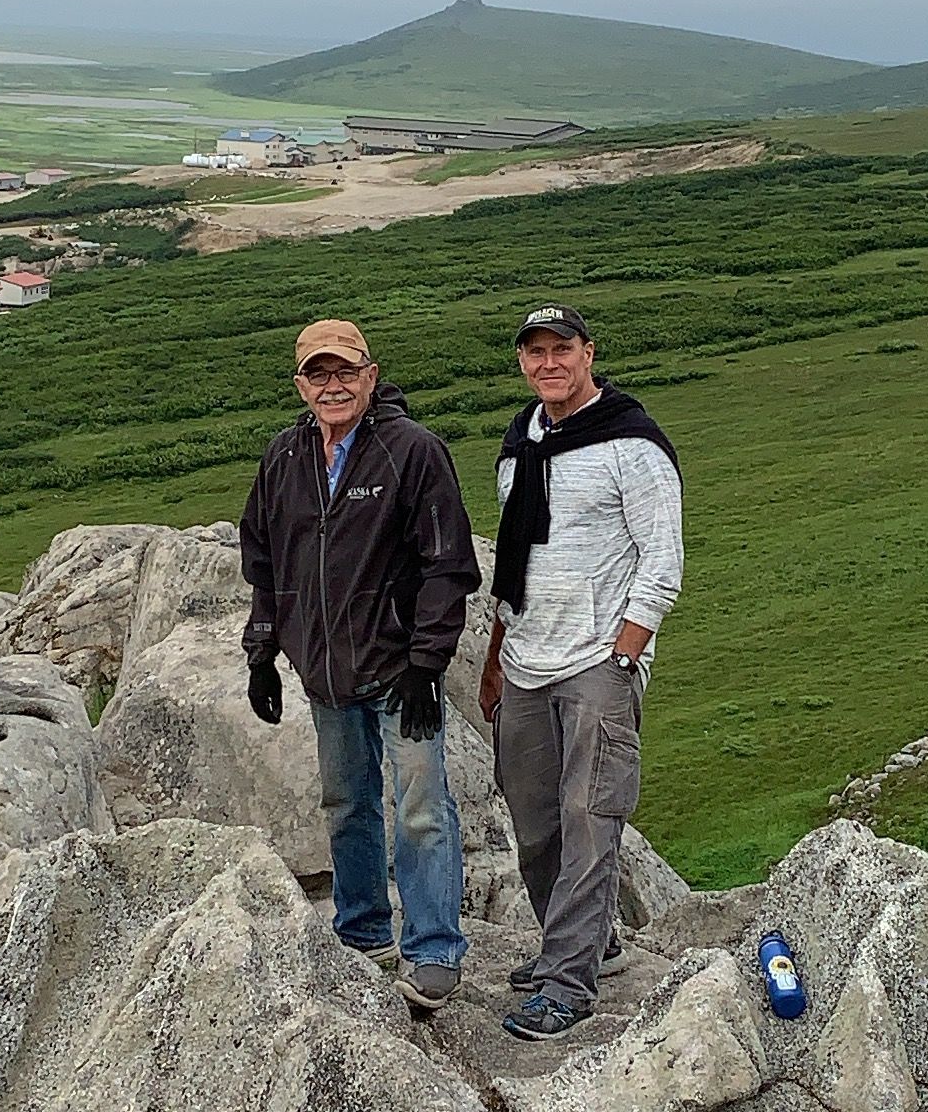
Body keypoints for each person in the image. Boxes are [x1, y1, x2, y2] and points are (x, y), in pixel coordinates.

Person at [240, 316, 481, 1011]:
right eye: (319, 373)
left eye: (346, 371)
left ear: (371, 377)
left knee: (421, 811)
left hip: (398, 670)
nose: (334, 384)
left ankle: (434, 951)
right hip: (326, 674)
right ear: (301, 385)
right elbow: (265, 561)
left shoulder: (413, 451)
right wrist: (262, 652)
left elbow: (447, 566)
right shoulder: (284, 459)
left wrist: (425, 663)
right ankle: (364, 934)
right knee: (346, 806)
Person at [477, 304, 683, 1039]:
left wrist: (625, 655)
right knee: (534, 826)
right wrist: (497, 655)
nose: (548, 364)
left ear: (588, 353)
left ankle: (568, 983)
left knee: (590, 819)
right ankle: (591, 941)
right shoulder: (519, 443)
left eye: (561, 349)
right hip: (527, 657)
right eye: (534, 353)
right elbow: (514, 559)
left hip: (599, 660)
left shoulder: (633, 444)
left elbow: (662, 562)